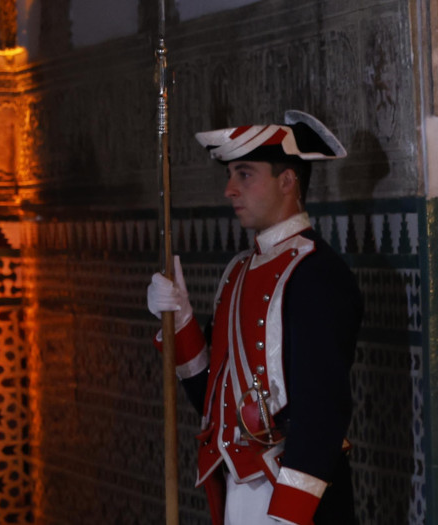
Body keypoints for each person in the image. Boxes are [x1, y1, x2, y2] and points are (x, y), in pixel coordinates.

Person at [146, 110, 362, 525]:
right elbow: (213, 399)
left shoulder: (318, 273)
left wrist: (289, 513)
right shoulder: (239, 270)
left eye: (245, 174)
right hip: (237, 487)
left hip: (294, 496)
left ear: (287, 181)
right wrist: (178, 317)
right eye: (230, 175)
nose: (229, 189)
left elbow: (323, 409)